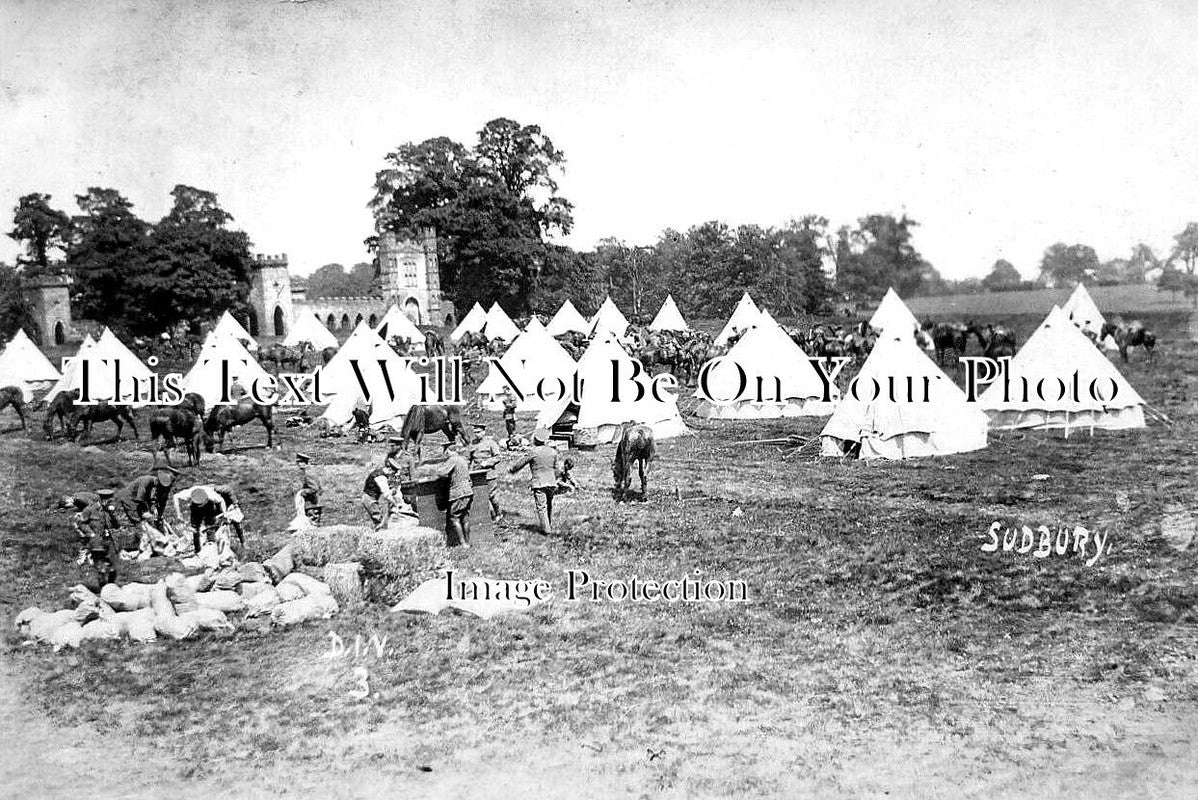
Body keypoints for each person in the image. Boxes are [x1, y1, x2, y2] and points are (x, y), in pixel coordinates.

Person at [420, 443, 473, 547]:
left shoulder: (452, 459)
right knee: (465, 518)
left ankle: (463, 544)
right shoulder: (462, 459)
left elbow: (441, 472)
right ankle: (467, 542)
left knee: (454, 518)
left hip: (458, 493)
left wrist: (430, 471)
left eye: (444, 451)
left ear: (447, 451)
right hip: (468, 491)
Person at [508, 428, 559, 535]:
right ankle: (548, 524)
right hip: (551, 482)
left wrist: (512, 469)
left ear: (535, 439)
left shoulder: (533, 452)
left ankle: (547, 531)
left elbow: (521, 463)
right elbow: (557, 469)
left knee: (541, 507)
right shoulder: (553, 452)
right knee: (549, 504)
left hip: (539, 483)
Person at [173, 484, 240, 554]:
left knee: (210, 526)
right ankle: (197, 550)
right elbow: (175, 496)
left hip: (209, 507)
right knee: (195, 529)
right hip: (195, 509)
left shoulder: (211, 495)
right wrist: (178, 513)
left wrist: (224, 513)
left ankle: (211, 545)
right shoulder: (189, 492)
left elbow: (221, 501)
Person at [76, 489, 121, 587]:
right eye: (105, 500)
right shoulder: (89, 509)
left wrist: (112, 515)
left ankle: (111, 586)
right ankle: (102, 587)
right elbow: (81, 523)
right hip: (97, 542)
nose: (107, 502)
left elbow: (117, 526)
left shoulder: (109, 511)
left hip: (109, 541)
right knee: (100, 568)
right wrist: (90, 533)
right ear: (100, 499)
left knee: (114, 566)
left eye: (109, 500)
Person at [361, 449, 413, 530]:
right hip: (369, 499)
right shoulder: (380, 477)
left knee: (382, 520)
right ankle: (378, 534)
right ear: (390, 469)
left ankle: (380, 531)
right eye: (393, 473)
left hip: (373, 497)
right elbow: (386, 494)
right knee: (378, 520)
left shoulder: (381, 473)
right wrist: (395, 504)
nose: (392, 475)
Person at [467, 422, 503, 521]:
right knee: (479, 495)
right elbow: (468, 458)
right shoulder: (472, 443)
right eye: (475, 432)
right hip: (476, 474)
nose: (476, 434)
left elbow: (498, 457)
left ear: (484, 432)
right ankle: (484, 517)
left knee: (492, 496)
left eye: (478, 432)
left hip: (489, 474)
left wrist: (487, 462)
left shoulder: (491, 443)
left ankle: (499, 514)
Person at [297, 452, 322, 525]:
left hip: (312, 503)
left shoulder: (308, 473)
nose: (298, 464)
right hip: (313, 502)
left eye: (299, 462)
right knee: (313, 523)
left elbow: (314, 489)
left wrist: (302, 492)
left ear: (304, 462)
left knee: (312, 524)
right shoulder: (309, 471)